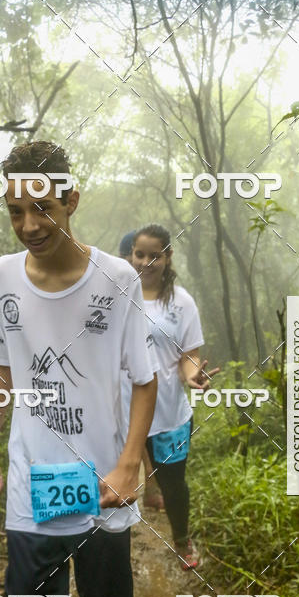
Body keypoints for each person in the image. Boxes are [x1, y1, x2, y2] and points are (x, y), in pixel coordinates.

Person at [0, 141, 157, 597]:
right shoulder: (2, 276)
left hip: (100, 474)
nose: (29, 225)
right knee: (29, 590)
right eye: (15, 212)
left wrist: (129, 465)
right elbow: (3, 366)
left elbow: (144, 380)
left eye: (42, 209)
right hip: (33, 471)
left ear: (71, 200)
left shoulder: (118, 279)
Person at [123, 224, 219, 570]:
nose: (146, 262)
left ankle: (182, 541)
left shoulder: (182, 302)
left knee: (174, 484)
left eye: (155, 256)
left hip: (168, 415)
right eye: (140, 254)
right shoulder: (115, 295)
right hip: (121, 413)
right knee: (115, 484)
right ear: (131, 255)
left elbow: (189, 354)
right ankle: (113, 555)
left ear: (168, 257)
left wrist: (192, 375)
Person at [119, 229, 165, 512]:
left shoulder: (154, 292)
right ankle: (146, 481)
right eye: (135, 256)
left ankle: (150, 482)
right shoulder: (118, 283)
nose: (140, 263)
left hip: (149, 371)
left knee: (147, 426)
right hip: (123, 374)